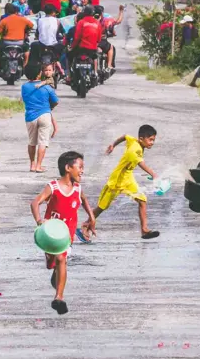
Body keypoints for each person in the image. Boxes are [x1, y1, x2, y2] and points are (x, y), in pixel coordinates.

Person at [31, 151, 97, 315]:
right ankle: (56, 275)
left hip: (66, 237)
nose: (82, 171)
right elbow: (35, 203)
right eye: (79, 167)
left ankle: (59, 297)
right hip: (49, 235)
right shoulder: (53, 187)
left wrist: (92, 218)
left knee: (61, 258)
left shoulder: (78, 188)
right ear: (68, 168)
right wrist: (39, 221)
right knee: (54, 263)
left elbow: (85, 200)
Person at [90, 125, 160, 239]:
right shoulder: (135, 149)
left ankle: (144, 230)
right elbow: (141, 163)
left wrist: (113, 145)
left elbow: (125, 136)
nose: (152, 142)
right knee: (102, 207)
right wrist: (153, 174)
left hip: (128, 178)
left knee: (142, 200)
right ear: (141, 138)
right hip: (118, 179)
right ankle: (86, 225)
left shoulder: (134, 140)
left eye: (153, 140)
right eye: (150, 139)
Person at [22, 64, 59, 173]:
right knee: (43, 142)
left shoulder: (24, 86)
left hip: (30, 116)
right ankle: (39, 166)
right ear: (39, 74)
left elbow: (25, 99)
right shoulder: (47, 87)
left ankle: (32, 165)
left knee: (32, 142)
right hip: (45, 115)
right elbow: (56, 101)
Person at [0, 2, 35, 69]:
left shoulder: (4, 20)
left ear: (7, 11)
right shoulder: (22, 19)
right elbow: (31, 25)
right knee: (27, 49)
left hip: (6, 42)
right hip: (20, 42)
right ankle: (25, 63)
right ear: (16, 11)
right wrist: (25, 30)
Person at [70, 7, 102, 77]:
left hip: (81, 48)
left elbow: (77, 37)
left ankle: (70, 75)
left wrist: (72, 47)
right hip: (92, 49)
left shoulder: (81, 22)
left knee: (70, 55)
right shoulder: (97, 23)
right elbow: (99, 39)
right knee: (95, 57)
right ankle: (95, 72)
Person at [97, 4, 125, 72]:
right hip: (100, 42)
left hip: (91, 42)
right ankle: (109, 65)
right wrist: (121, 11)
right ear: (102, 13)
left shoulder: (88, 20)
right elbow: (118, 21)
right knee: (111, 47)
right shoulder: (106, 21)